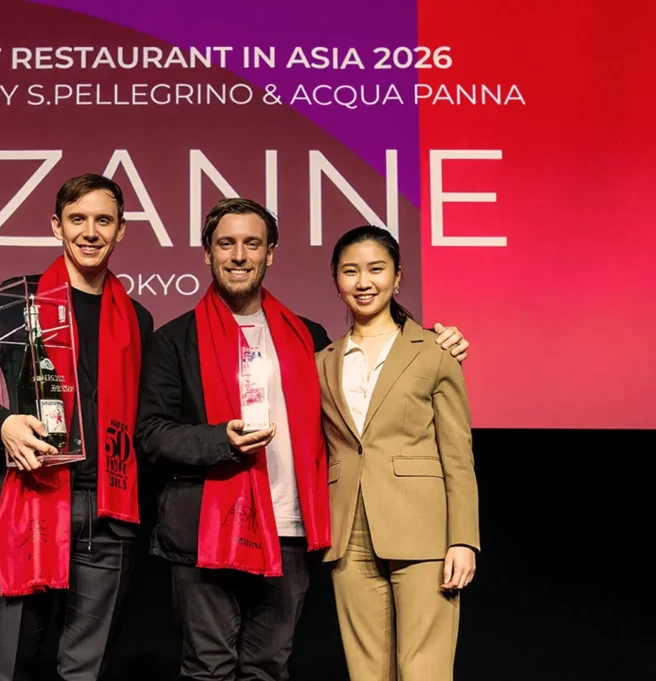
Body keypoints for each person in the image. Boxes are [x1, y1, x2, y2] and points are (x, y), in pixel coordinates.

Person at [134, 199, 470, 681]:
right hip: (204, 532)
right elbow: (151, 436)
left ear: (271, 253)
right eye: (225, 244)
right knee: (208, 668)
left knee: (270, 667)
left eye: (252, 243)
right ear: (206, 253)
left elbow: (378, 369)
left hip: (288, 530)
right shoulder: (172, 340)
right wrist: (221, 440)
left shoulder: (309, 338)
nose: (239, 255)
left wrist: (441, 339)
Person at [0, 173, 154, 681]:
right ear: (56, 225)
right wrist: (2, 424)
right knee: (9, 665)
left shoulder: (138, 318)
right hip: (27, 498)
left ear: (121, 230)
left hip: (109, 510)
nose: (90, 231)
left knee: (86, 671)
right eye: (78, 219)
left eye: (103, 220)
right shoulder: (17, 299)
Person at [316, 225, 480, 681]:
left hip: (424, 529)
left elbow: (457, 455)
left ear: (398, 277)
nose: (363, 282)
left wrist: (463, 538)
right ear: (336, 280)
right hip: (348, 532)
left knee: (424, 668)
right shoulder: (321, 361)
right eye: (350, 271)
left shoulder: (434, 350)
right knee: (366, 671)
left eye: (375, 269)